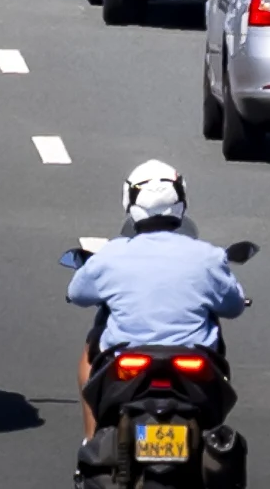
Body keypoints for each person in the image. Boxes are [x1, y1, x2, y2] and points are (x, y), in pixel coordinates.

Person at [67, 160, 250, 443]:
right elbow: (234, 306)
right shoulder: (207, 257)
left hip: (125, 366)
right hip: (193, 365)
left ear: (129, 202)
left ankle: (91, 441)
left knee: (91, 347)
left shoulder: (111, 255)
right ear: (181, 202)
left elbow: (78, 294)